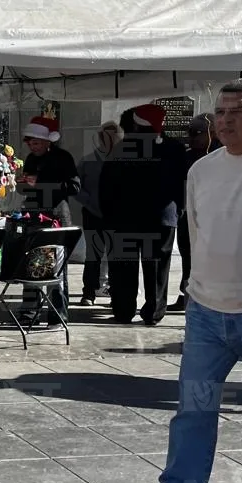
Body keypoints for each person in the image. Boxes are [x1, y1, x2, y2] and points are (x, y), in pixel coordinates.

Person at [132, 78, 242, 483]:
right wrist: (193, 291)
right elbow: (196, 235)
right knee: (193, 410)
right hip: (205, 313)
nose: (225, 121)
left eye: (237, 112)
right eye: (220, 113)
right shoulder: (202, 169)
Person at [99, 105, 184, 326]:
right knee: (156, 267)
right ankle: (154, 312)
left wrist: (106, 217)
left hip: (124, 219)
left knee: (124, 267)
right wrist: (179, 211)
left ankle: (124, 310)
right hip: (161, 218)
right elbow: (183, 184)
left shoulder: (122, 149)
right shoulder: (174, 148)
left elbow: (106, 187)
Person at [17, 116, 81, 315]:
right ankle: (30, 310)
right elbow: (26, 188)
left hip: (56, 217)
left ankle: (57, 313)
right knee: (31, 263)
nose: (32, 147)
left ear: (47, 141)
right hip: (33, 216)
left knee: (55, 266)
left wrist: (42, 183)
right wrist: (23, 184)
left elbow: (74, 186)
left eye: (36, 143)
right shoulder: (31, 159)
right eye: (30, 143)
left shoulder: (63, 158)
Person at [171, 112, 219, 312]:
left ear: (212, 132)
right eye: (189, 133)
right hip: (188, 216)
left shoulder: (223, 155)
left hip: (216, 220)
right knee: (188, 259)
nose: (191, 137)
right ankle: (187, 294)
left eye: (196, 133)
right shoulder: (186, 156)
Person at [75, 121, 120, 306]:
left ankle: (116, 293)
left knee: (116, 256)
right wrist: (91, 203)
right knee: (93, 256)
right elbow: (76, 187)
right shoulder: (87, 161)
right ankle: (89, 293)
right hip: (93, 215)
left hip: (117, 217)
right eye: (105, 136)